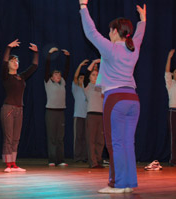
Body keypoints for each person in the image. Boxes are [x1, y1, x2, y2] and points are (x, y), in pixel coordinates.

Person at [79, 0, 146, 193]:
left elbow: (91, 32)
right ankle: (128, 184)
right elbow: (140, 35)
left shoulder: (110, 48)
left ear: (116, 31)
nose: (108, 33)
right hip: (133, 100)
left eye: (110, 30)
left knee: (115, 143)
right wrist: (142, 20)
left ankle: (117, 184)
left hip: (115, 99)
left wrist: (83, 7)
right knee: (127, 143)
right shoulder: (134, 48)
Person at [1, 39, 38, 173]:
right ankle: (8, 164)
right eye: (12, 61)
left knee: (16, 137)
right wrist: (8, 48)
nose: (15, 63)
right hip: (8, 108)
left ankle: (14, 163)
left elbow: (34, 66)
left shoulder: (21, 77)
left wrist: (36, 53)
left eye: (17, 61)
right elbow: (4, 62)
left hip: (19, 108)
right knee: (9, 137)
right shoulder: (5, 76)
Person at [44, 47, 70, 166]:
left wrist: (68, 57)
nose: (58, 75)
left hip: (61, 112)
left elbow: (67, 70)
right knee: (52, 137)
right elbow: (46, 68)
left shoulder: (62, 83)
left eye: (59, 74)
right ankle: (52, 159)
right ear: (51, 77)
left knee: (60, 137)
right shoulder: (48, 82)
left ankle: (61, 160)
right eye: (55, 74)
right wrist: (49, 55)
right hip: (51, 112)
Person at [84, 59, 104, 169]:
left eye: (96, 75)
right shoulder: (87, 86)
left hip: (101, 115)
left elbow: (102, 75)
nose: (95, 76)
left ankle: (99, 160)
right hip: (91, 115)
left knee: (100, 140)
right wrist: (94, 62)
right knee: (91, 140)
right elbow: (87, 73)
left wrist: (101, 65)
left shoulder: (100, 86)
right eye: (93, 75)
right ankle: (93, 162)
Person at [72, 59, 89, 163]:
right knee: (78, 137)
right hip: (78, 115)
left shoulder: (87, 88)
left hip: (87, 116)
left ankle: (85, 157)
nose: (82, 79)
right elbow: (75, 77)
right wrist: (80, 65)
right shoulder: (76, 88)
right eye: (80, 78)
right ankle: (78, 157)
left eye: (83, 78)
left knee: (86, 138)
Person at [165, 49, 176, 167]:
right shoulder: (171, 84)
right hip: (173, 111)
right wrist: (169, 58)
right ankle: (173, 159)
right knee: (174, 136)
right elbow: (167, 72)